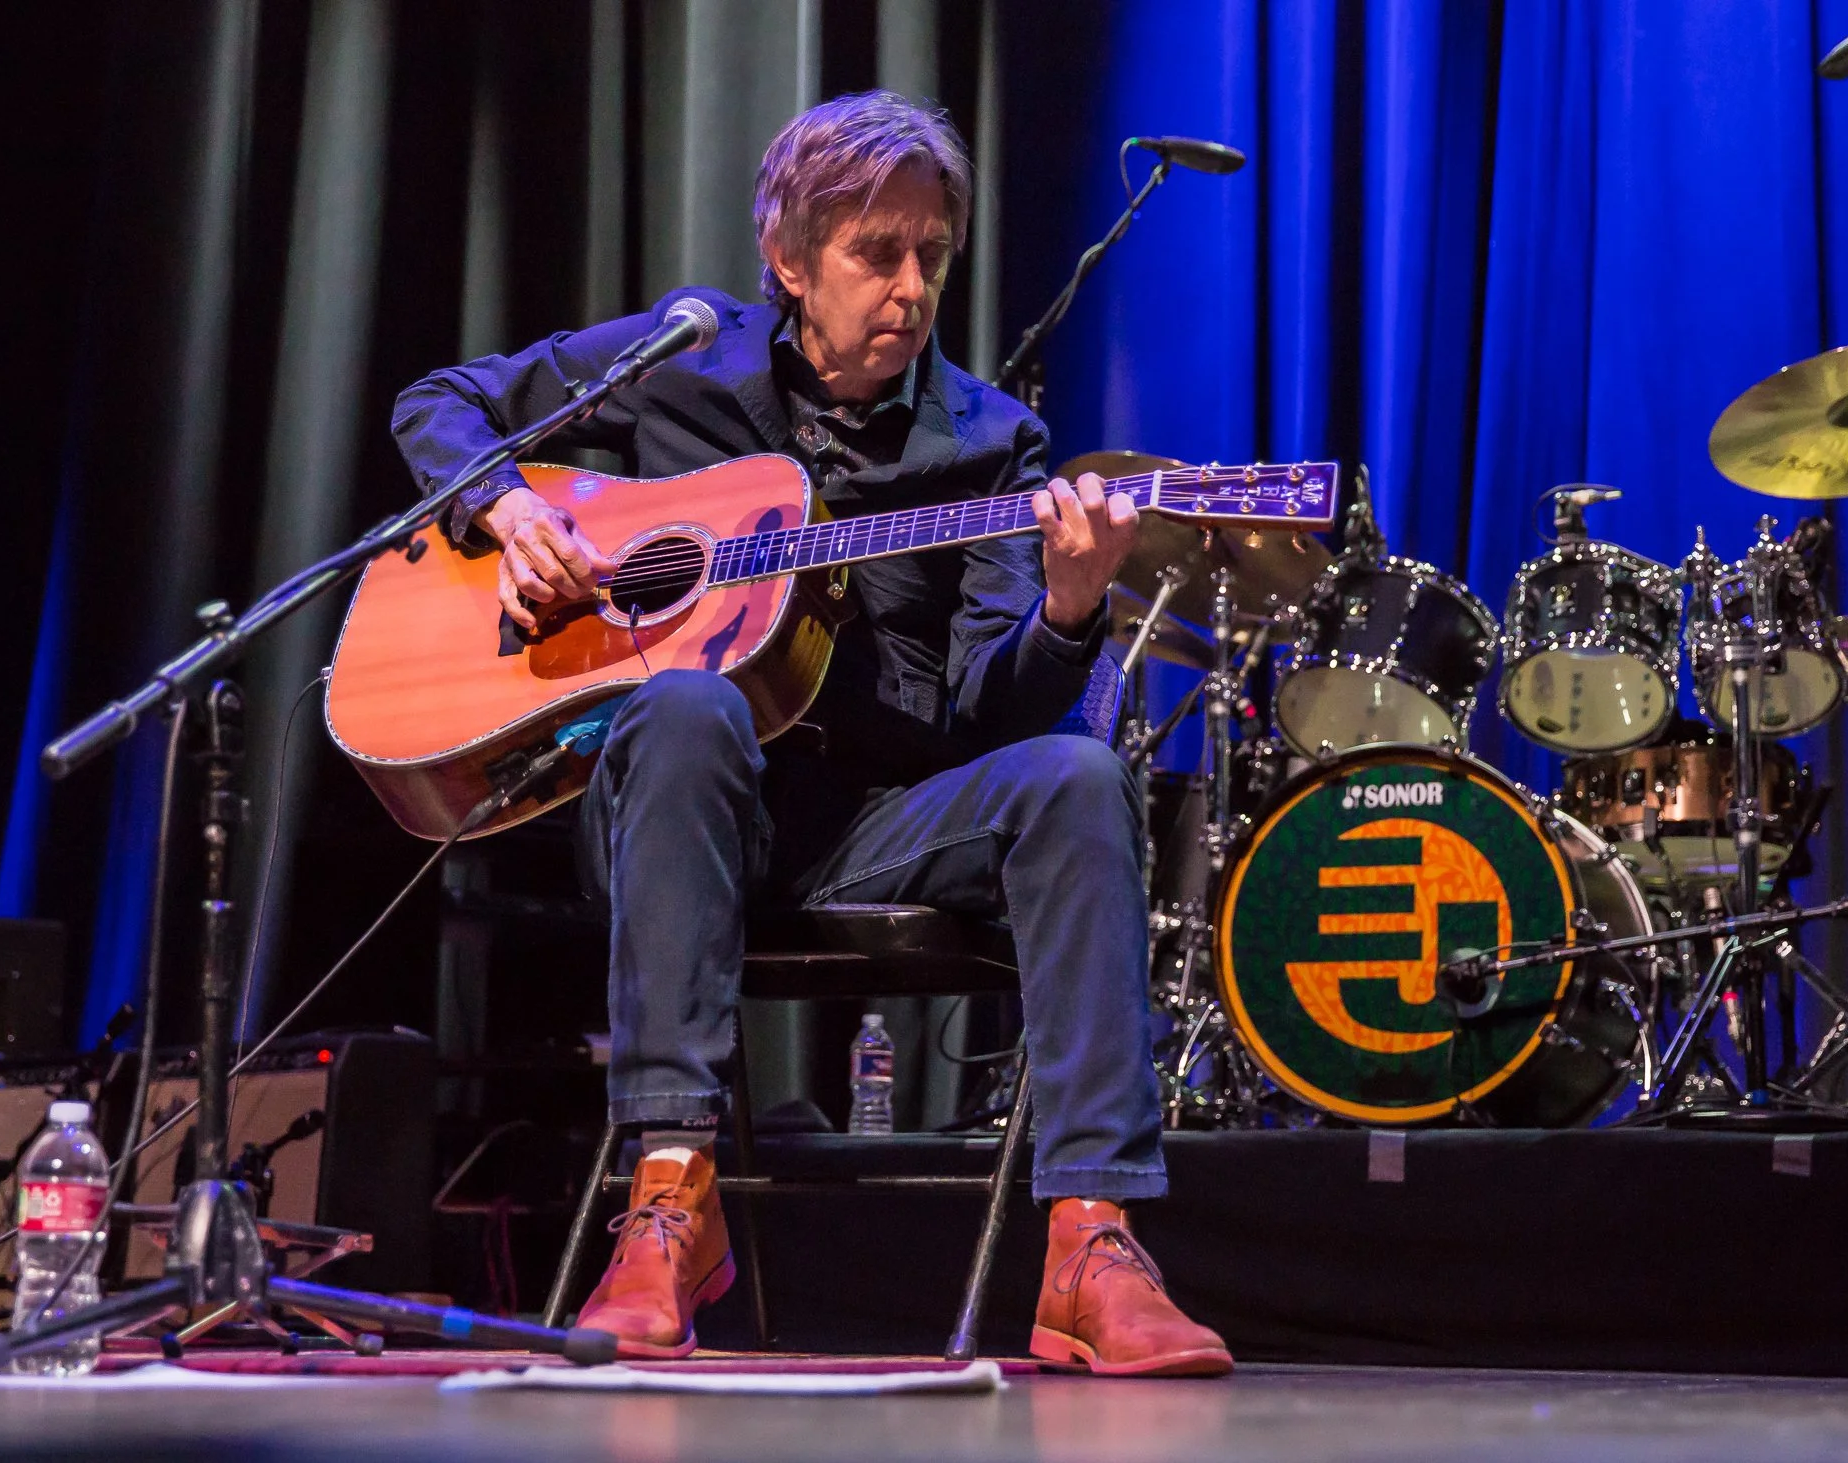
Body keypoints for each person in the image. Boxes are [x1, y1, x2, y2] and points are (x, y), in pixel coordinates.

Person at [391, 90, 1231, 1377]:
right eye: (874, 253)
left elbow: (985, 709)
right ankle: (668, 1200)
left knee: (1074, 773)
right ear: (787, 259)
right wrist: (510, 512)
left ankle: (1090, 1241)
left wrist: (1068, 612)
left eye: (931, 256)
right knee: (686, 702)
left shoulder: (989, 445)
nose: (910, 288)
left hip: (875, 828)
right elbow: (440, 402)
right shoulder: (680, 360)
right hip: (679, 822)